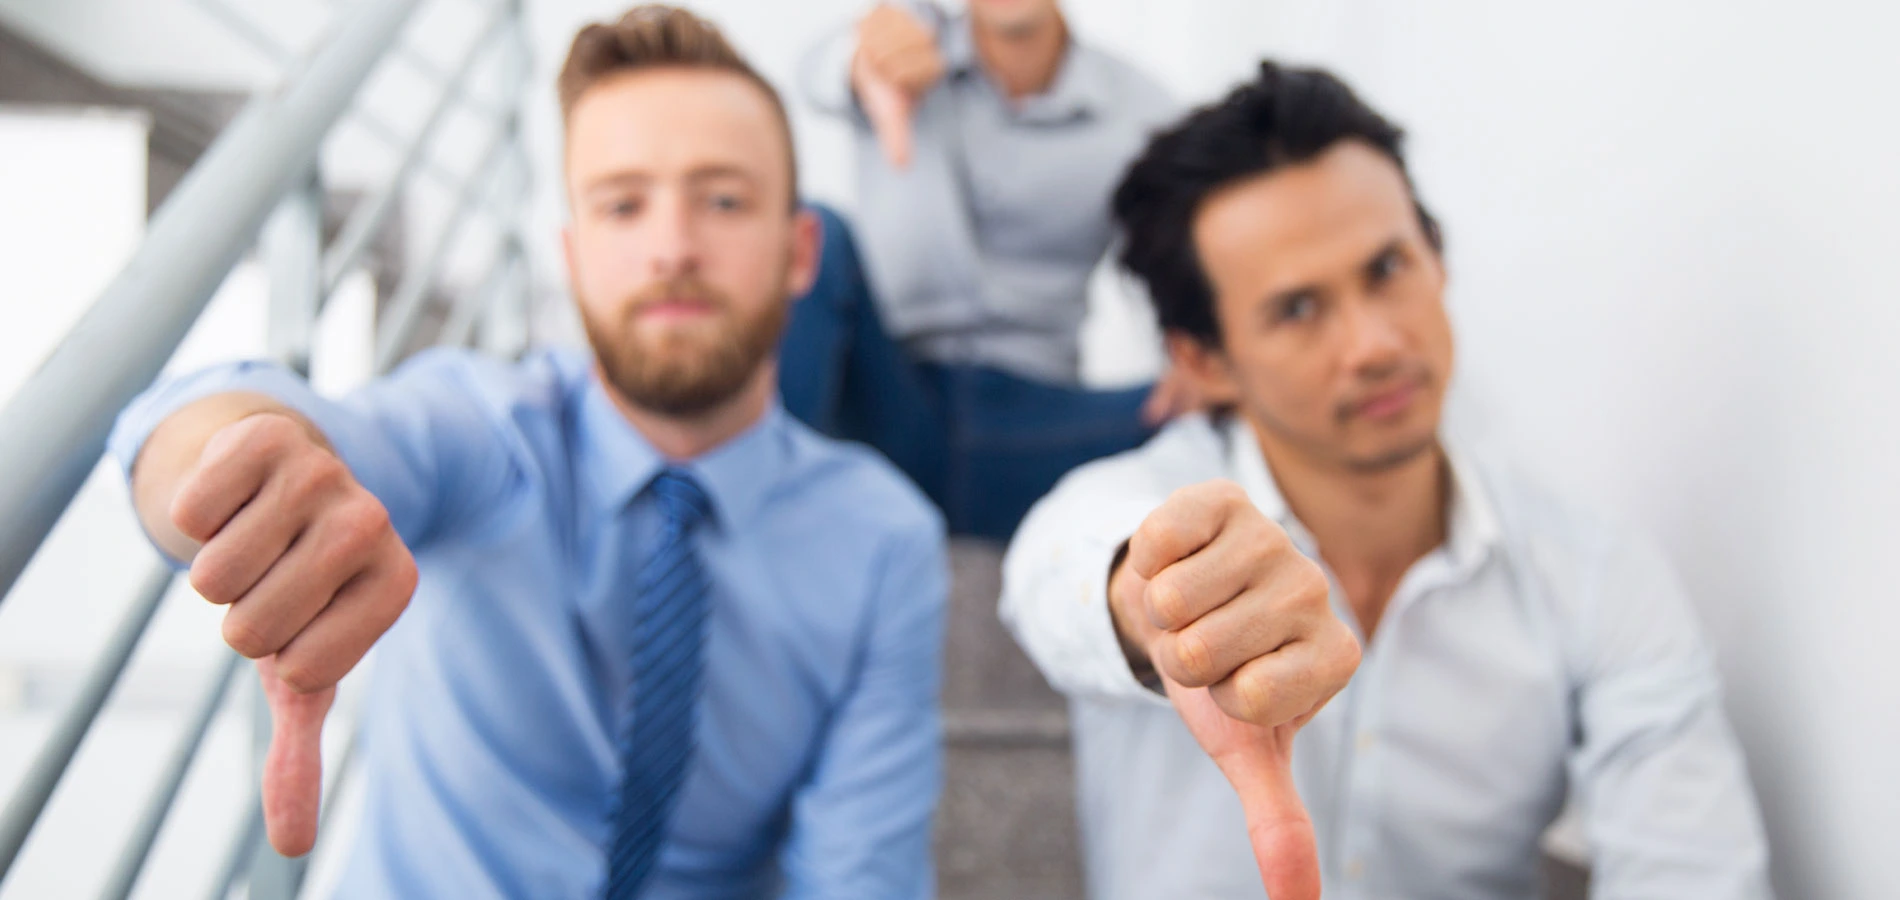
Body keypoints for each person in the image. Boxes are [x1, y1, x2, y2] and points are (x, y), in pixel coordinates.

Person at [110, 7, 946, 898]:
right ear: (573, 256)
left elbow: (861, 878)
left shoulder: (884, 542)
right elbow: (197, 429)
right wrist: (235, 463)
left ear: (801, 251)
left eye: (724, 201)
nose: (672, 250)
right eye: (623, 205)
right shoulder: (482, 431)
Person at [1001, 61, 1773, 899]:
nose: (1374, 344)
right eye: (1298, 309)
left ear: (1437, 260)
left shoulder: (1596, 579)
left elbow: (1694, 874)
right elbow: (1058, 568)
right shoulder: (1130, 498)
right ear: (1203, 361)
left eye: (1387, 269)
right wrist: (1156, 607)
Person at [783, 0, 1196, 539]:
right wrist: (860, 61)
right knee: (818, 230)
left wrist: (1201, 353)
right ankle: (766, 501)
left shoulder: (1144, 112)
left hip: (1032, 421)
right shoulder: (902, 46)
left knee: (1232, 396)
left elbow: (1190, 258)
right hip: (890, 396)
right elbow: (814, 72)